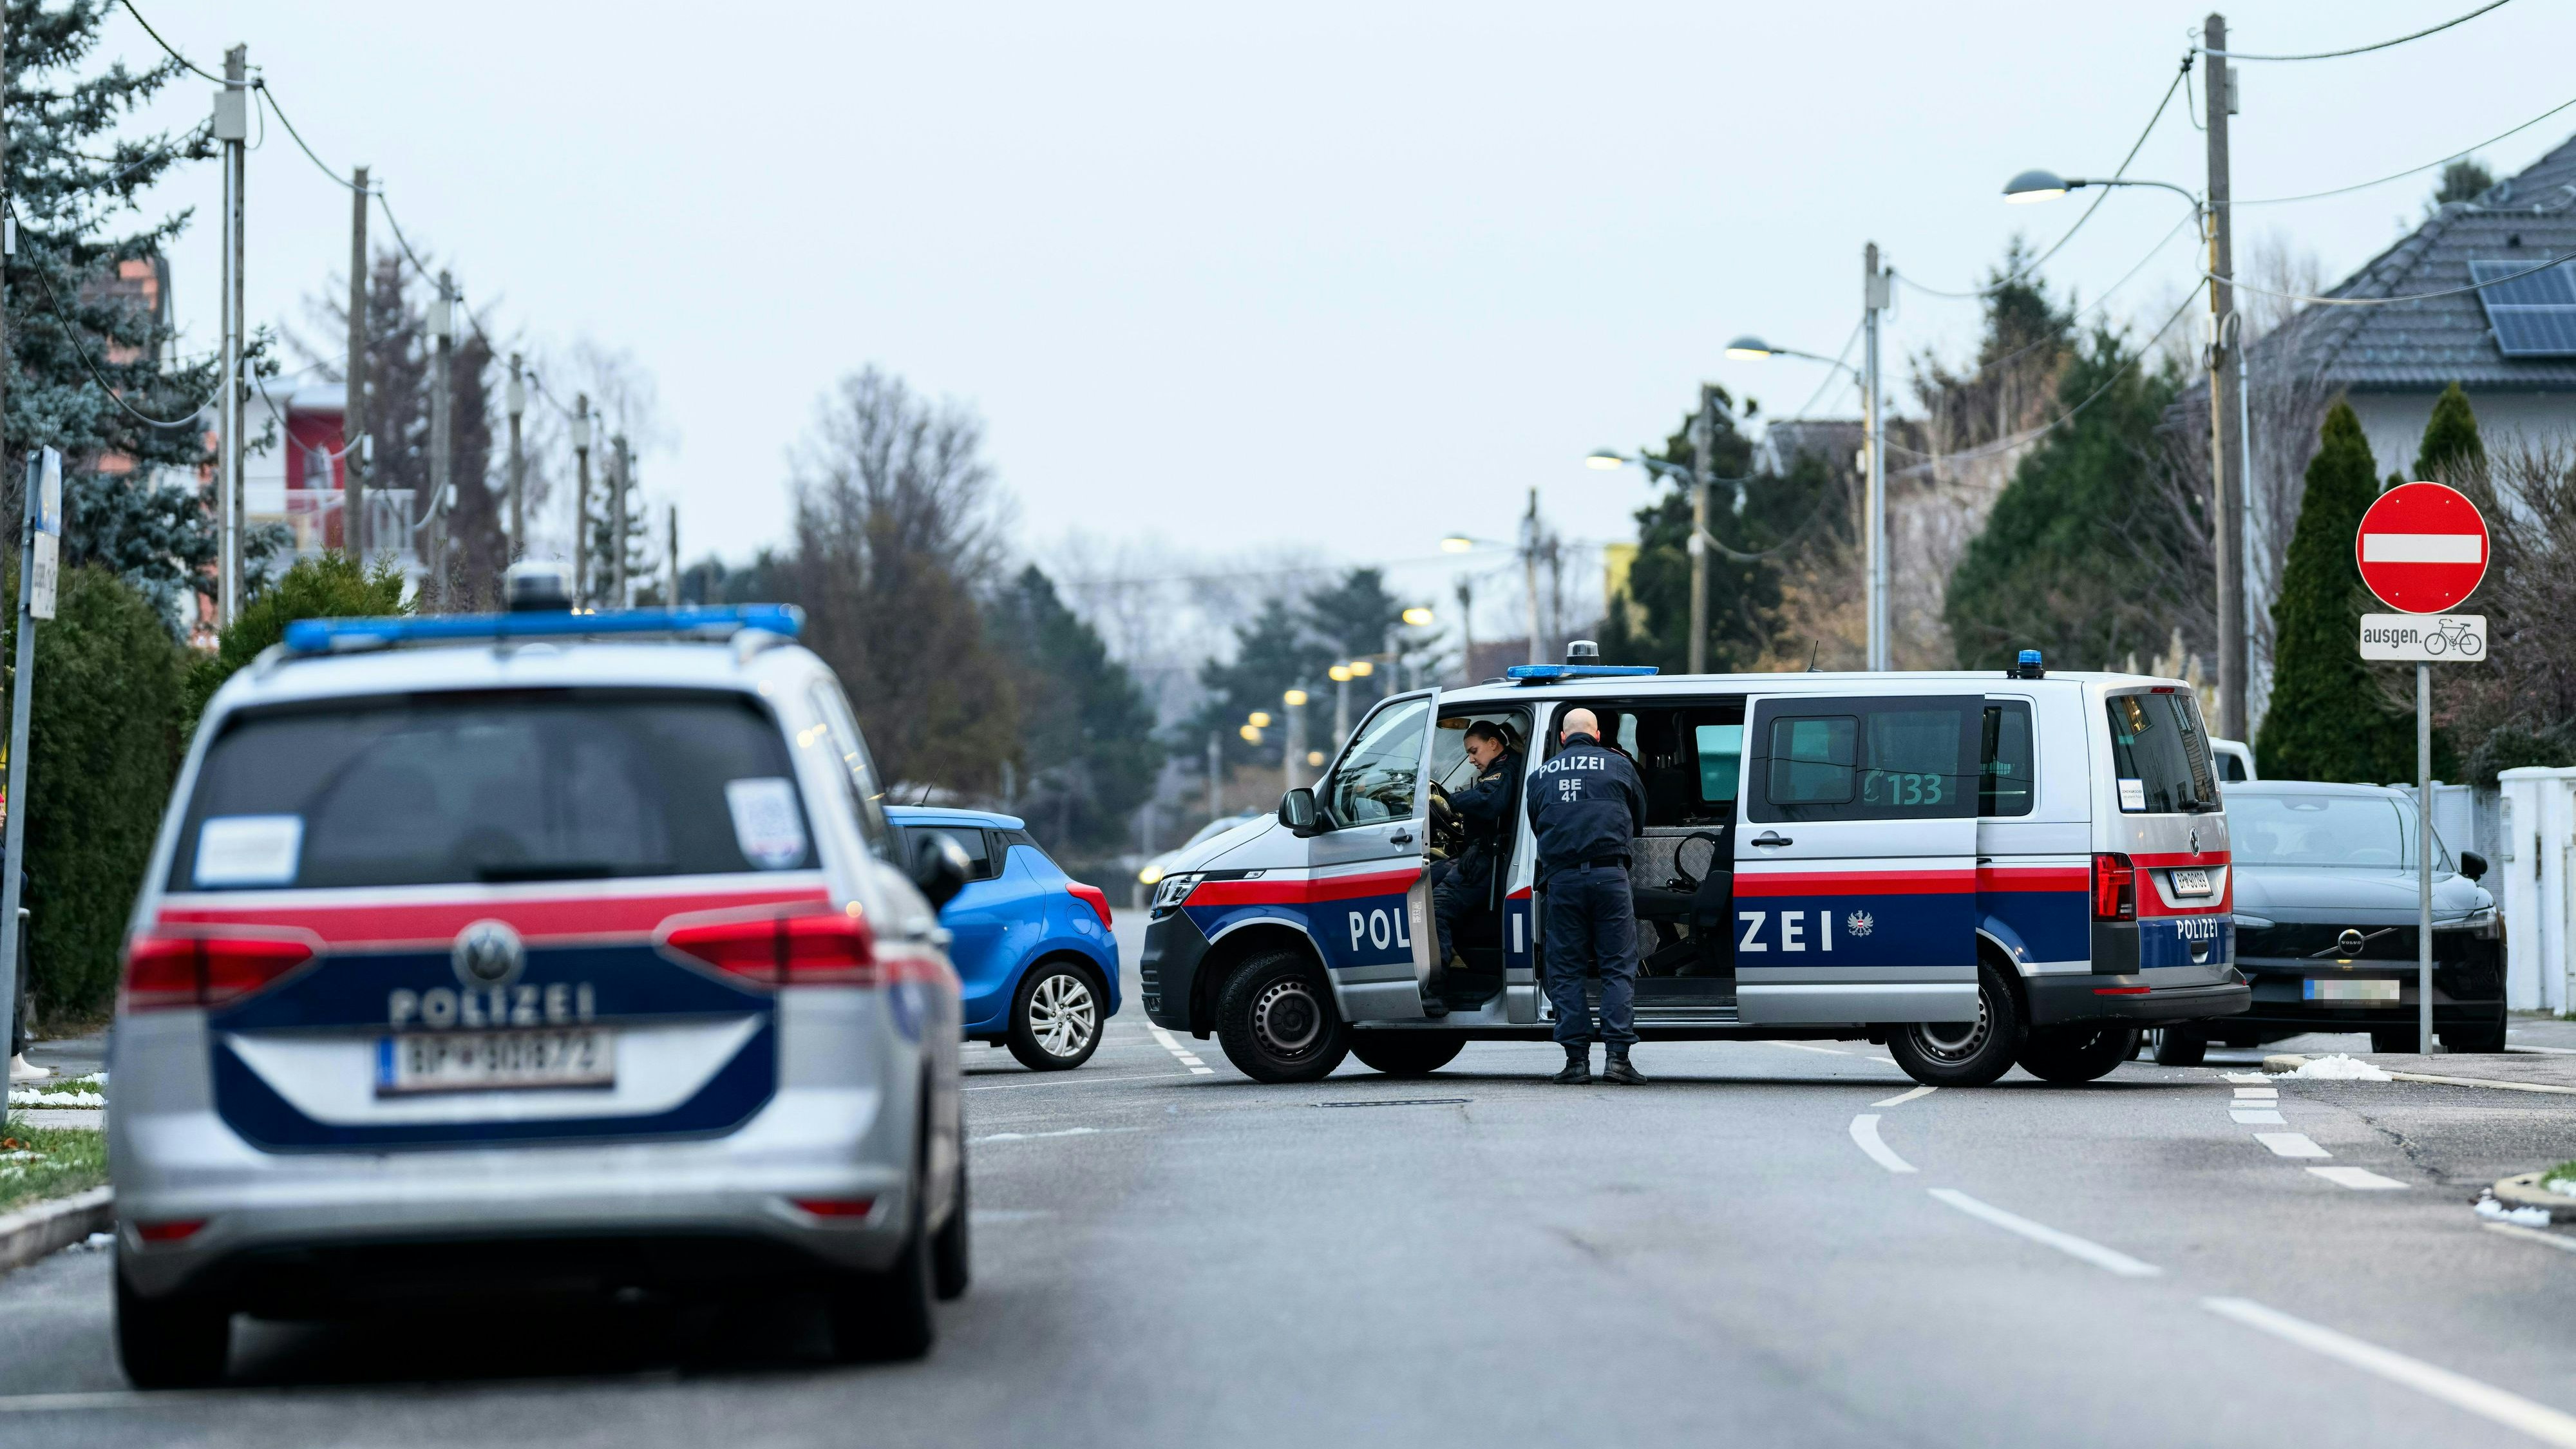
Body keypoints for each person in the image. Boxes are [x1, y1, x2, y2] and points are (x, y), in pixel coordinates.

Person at [1523, 706, 1648, 1084]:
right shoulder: (1619, 766)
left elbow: (1536, 825)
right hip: (1610, 877)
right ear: (1596, 735)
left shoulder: (1539, 776)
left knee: (1566, 970)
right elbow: (1639, 820)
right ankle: (1618, 1060)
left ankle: (1576, 1062)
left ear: (1563, 738)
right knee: (1616, 967)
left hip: (1562, 883)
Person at [1424, 721, 1522, 1016]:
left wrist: (1451, 801)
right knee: (1422, 884)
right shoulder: (1503, 766)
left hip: (1490, 862)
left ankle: (1435, 989)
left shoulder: (1505, 769)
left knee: (1435, 909)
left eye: (1474, 751)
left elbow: (1490, 801)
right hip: (1479, 855)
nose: (1471, 759)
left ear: (1494, 743)